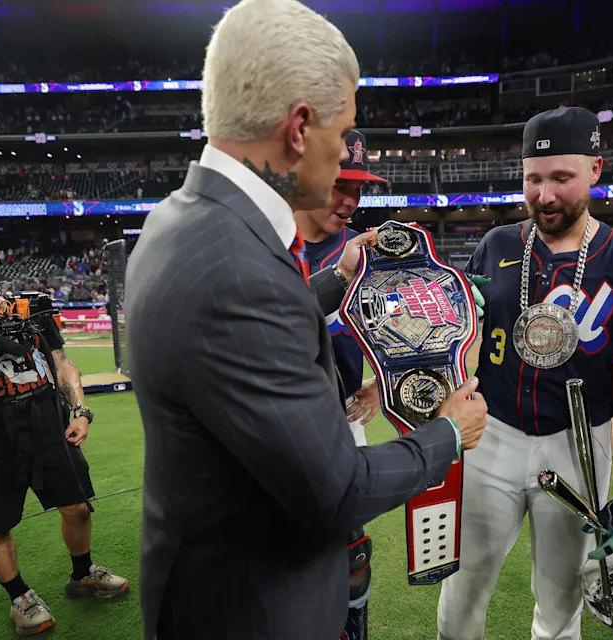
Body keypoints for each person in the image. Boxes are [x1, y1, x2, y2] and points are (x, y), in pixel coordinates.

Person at [125, 2, 488, 639]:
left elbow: (253, 321)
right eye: (344, 132)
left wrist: (335, 281)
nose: (346, 150)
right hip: (256, 611)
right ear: (298, 128)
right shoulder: (238, 272)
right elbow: (338, 493)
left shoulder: (182, 219)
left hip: (210, 580)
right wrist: (449, 434)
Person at [435, 107, 613, 640]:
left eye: (562, 177)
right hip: (492, 433)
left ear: (596, 170)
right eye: (534, 179)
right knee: (462, 586)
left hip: (578, 443)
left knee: (561, 601)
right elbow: (459, 336)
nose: (545, 195)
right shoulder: (499, 244)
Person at [0, 232, 128, 637]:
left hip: (45, 417)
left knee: (78, 507)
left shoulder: (28, 308)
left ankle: (82, 575)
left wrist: (80, 410)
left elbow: (63, 363)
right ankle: (20, 597)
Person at [293, 129, 388, 640]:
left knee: (352, 555)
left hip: (342, 426)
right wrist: (336, 276)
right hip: (277, 431)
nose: (351, 201)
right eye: (339, 185)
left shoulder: (367, 253)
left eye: (359, 189)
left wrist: (379, 383)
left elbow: (396, 334)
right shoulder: (266, 245)